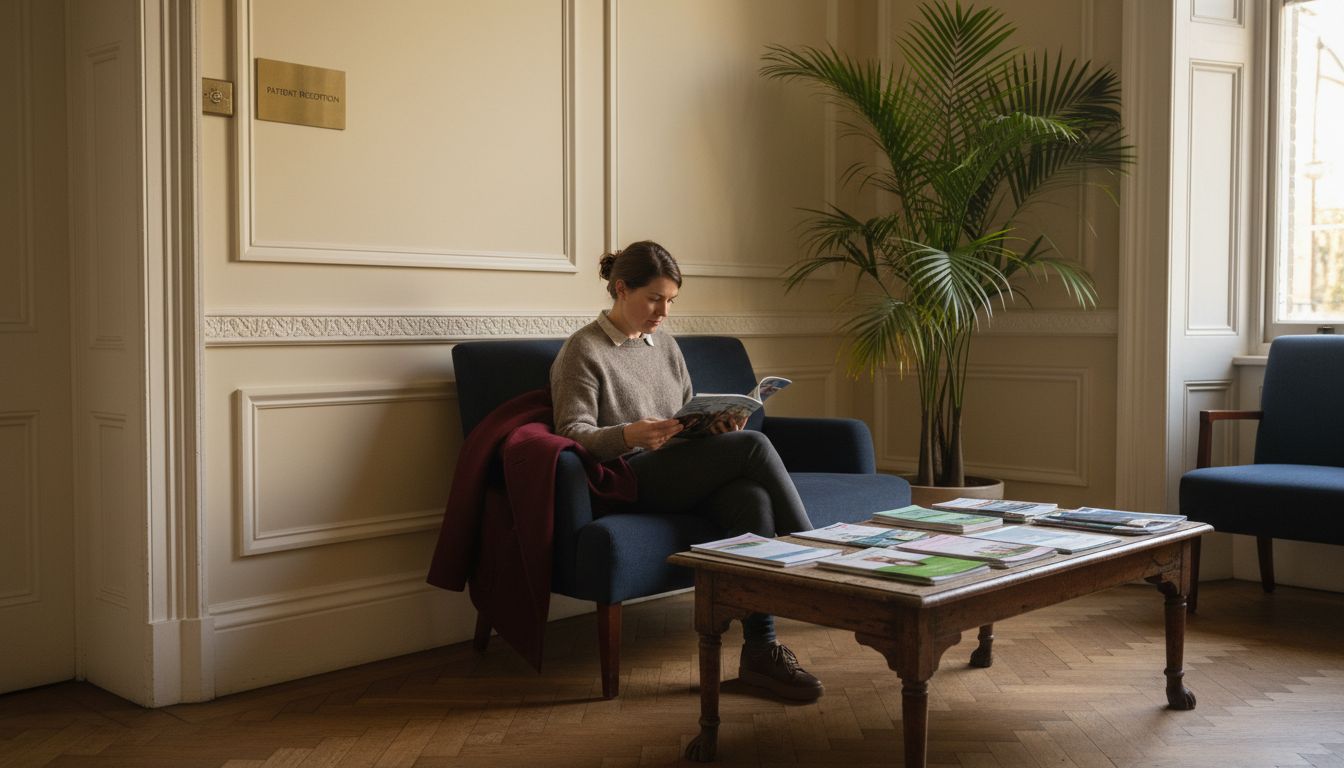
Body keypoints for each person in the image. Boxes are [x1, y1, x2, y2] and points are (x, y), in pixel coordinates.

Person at [549, 240, 824, 702]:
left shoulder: (666, 346)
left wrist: (715, 426)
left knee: (750, 499)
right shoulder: (583, 350)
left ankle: (760, 651)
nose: (663, 311)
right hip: (632, 475)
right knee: (753, 445)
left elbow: (682, 416)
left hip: (679, 466)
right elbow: (572, 432)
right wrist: (628, 435)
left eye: (670, 301)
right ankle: (816, 555)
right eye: (654, 298)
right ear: (621, 289)